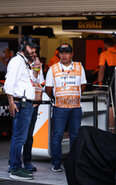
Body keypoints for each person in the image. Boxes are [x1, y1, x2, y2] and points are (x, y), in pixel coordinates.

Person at [45, 43, 87, 172]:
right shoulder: (53, 68)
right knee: (57, 135)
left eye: (67, 52)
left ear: (72, 54)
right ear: (59, 54)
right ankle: (56, 163)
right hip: (59, 107)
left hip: (75, 107)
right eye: (62, 53)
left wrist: (73, 95)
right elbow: (48, 89)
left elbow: (83, 85)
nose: (64, 55)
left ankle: (73, 162)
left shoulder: (79, 67)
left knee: (75, 136)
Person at [4, 35, 39, 180]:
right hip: (21, 103)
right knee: (19, 138)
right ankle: (15, 168)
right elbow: (9, 84)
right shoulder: (16, 61)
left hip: (26, 104)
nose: (33, 51)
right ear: (23, 46)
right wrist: (11, 102)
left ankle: (15, 165)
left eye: (34, 48)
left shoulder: (25, 62)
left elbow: (34, 79)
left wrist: (36, 65)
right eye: (31, 48)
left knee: (21, 137)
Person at [22, 47, 45, 172]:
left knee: (29, 136)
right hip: (22, 104)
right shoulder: (22, 65)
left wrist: (38, 102)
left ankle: (27, 162)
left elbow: (39, 84)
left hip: (34, 105)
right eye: (32, 52)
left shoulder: (38, 67)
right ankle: (13, 162)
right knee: (19, 135)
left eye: (36, 52)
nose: (34, 54)